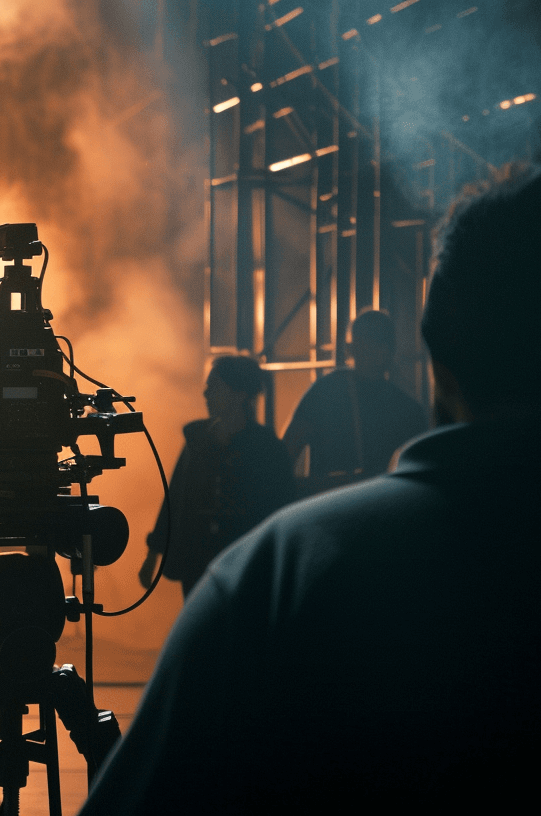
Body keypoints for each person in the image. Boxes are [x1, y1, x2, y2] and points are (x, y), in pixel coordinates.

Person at [80, 166, 541, 813]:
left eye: (371, 347)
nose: (363, 356)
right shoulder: (318, 409)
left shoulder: (277, 579)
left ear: (432, 350)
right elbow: (230, 475)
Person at [137, 355, 294, 598]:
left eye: (215, 387)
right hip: (198, 562)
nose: (206, 394)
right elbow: (176, 496)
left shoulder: (267, 450)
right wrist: (153, 553)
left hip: (246, 563)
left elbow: (278, 508)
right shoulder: (198, 440)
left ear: (240, 394)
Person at [282, 309, 428, 496]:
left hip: (329, 505)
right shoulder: (408, 408)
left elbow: (286, 454)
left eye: (372, 342)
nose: (367, 348)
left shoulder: (326, 391)